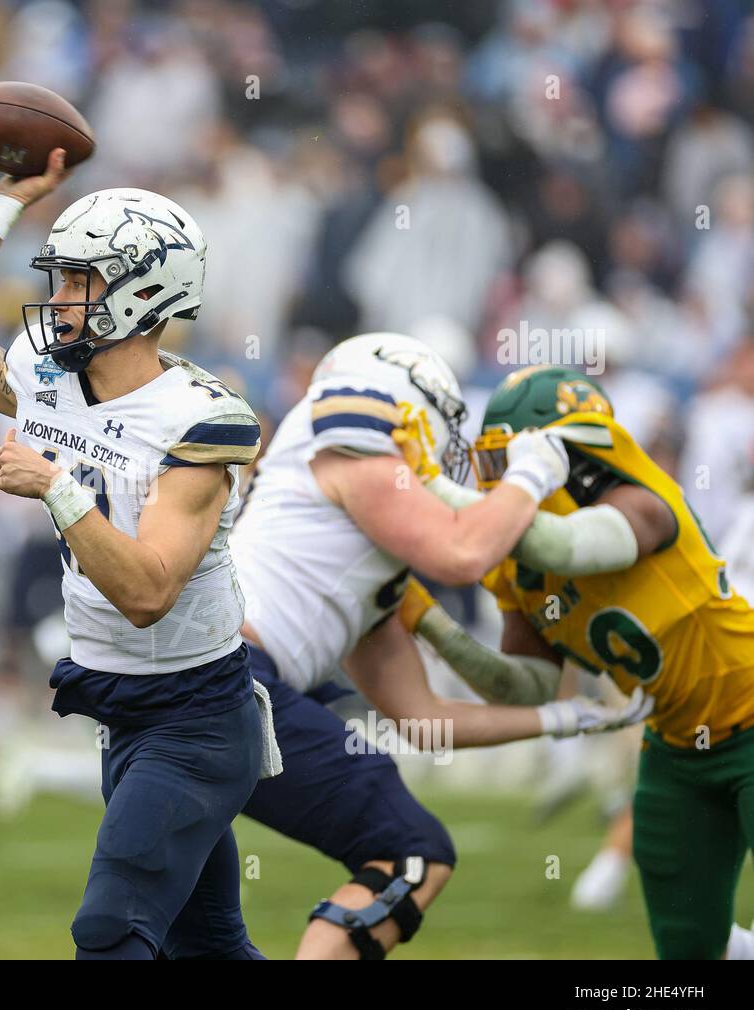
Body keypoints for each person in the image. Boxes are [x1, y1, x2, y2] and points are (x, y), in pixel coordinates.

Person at [0, 150, 272, 960]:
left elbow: (148, 591)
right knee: (207, 948)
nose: (57, 301)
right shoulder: (49, 378)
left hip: (197, 718)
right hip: (123, 708)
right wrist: (7, 198)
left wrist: (56, 487)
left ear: (143, 292)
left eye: (78, 283)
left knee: (111, 931)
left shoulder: (201, 421)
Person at [228, 333, 648, 959]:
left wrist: (563, 716)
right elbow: (461, 553)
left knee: (193, 927)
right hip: (231, 683)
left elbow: (424, 721)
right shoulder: (353, 446)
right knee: (409, 850)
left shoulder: (351, 541)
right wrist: (532, 473)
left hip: (210, 685)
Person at [401, 364, 754, 960]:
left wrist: (420, 483)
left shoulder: (643, 503)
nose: (495, 480)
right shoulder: (518, 564)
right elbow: (525, 688)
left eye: (505, 461)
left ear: (556, 456)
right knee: (691, 952)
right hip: (676, 750)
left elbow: (559, 544)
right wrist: (427, 622)